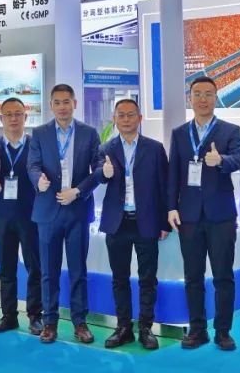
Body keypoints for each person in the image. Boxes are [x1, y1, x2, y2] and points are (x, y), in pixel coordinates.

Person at [166, 75, 240, 351]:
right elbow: (173, 173)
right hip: (188, 216)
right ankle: (197, 329)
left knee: (223, 275)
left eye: (208, 94)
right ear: (190, 98)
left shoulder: (230, 130)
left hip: (221, 215)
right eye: (197, 94)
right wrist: (171, 206)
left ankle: (223, 331)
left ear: (215, 97)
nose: (202, 99)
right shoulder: (179, 133)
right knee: (193, 276)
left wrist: (221, 160)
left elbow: (239, 159)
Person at [28, 83, 102, 344]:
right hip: (48, 211)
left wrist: (79, 191)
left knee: (78, 270)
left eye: (66, 102)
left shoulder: (89, 133)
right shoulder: (39, 133)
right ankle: (49, 322)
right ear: (51, 105)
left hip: (77, 211)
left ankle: (80, 322)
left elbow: (99, 168)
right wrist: (38, 180)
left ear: (75, 104)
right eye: (57, 102)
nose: (62, 107)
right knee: (48, 271)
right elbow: (32, 165)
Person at [95, 98, 169, 350]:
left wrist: (164, 223)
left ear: (140, 118)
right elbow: (99, 176)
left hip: (146, 222)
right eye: (121, 115)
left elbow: (164, 186)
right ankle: (123, 327)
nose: (126, 119)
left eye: (130, 115)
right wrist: (103, 173)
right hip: (117, 224)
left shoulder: (154, 148)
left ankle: (146, 328)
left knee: (147, 278)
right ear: (114, 119)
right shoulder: (105, 148)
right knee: (120, 278)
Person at [0, 97, 42, 335]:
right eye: (8, 114)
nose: (13, 118)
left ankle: (35, 316)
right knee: (6, 268)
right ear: (1, 118)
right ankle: (9, 316)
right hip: (2, 217)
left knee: (35, 267)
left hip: (31, 217)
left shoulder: (35, 145)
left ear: (26, 117)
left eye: (18, 114)